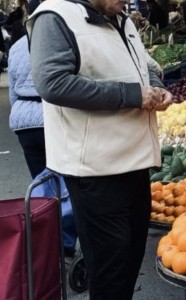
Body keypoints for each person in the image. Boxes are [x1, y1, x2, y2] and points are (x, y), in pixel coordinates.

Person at [26, 0, 173, 298]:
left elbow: (141, 66)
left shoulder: (122, 19)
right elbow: (53, 83)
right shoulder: (56, 17)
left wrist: (155, 86)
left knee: (129, 263)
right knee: (110, 271)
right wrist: (131, 94)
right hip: (94, 170)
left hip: (134, 162)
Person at [7, 0, 46, 180]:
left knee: (39, 180)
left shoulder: (16, 47)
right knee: (67, 180)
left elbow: (13, 92)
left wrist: (18, 111)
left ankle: (42, 207)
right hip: (49, 117)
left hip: (23, 122)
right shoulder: (58, 40)